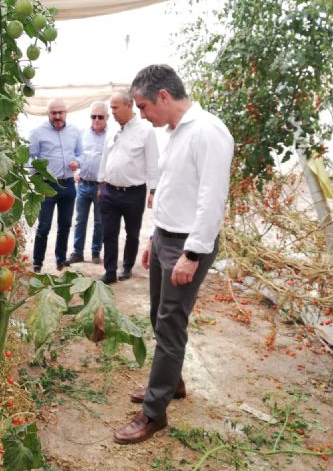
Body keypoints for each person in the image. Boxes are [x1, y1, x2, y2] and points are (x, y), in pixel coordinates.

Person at [113, 65, 234, 444]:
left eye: (145, 106)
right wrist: (154, 237)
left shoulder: (208, 132)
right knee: (158, 315)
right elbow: (170, 189)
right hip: (167, 237)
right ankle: (172, 381)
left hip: (188, 245)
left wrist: (193, 253)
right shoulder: (173, 134)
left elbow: (211, 199)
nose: (143, 114)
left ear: (164, 97)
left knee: (170, 322)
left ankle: (153, 412)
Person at [97, 90, 159, 284]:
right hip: (110, 191)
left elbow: (153, 164)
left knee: (132, 233)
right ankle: (110, 271)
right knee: (109, 233)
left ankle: (127, 267)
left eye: (115, 108)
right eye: (111, 108)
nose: (112, 112)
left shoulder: (146, 131)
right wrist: (101, 185)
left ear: (128, 106)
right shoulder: (112, 131)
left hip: (134, 193)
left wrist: (153, 191)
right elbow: (104, 159)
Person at [29, 98, 81, 272]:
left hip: (68, 186)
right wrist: (36, 176)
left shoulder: (74, 132)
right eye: (54, 113)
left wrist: (78, 162)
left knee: (65, 225)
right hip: (47, 186)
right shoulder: (38, 133)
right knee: (44, 226)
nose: (57, 116)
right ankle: (37, 263)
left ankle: (60, 260)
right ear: (48, 114)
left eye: (60, 112)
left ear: (66, 112)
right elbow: (30, 157)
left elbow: (81, 154)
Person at [68, 101, 109, 265]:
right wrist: (76, 172)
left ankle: (95, 252)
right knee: (80, 220)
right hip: (83, 185)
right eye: (94, 116)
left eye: (100, 116)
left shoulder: (111, 136)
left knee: (99, 222)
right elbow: (75, 155)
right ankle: (77, 252)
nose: (97, 120)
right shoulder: (82, 133)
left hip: (100, 187)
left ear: (107, 117)